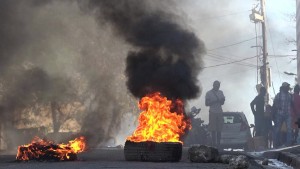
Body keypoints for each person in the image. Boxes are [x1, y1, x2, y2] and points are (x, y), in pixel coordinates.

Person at [205, 80, 225, 148]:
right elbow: (206, 103)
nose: (218, 86)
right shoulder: (208, 93)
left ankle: (218, 143)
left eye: (218, 85)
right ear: (213, 85)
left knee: (219, 129)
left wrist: (222, 100)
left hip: (219, 112)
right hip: (212, 112)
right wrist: (215, 101)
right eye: (216, 85)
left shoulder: (221, 92)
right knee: (213, 129)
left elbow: (222, 103)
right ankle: (214, 144)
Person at [273, 82, 293, 147]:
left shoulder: (290, 95)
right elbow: (274, 105)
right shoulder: (278, 95)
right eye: (287, 87)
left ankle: (288, 144)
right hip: (279, 114)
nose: (288, 89)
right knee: (277, 129)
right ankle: (276, 144)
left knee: (289, 129)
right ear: (283, 88)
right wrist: (274, 114)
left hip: (288, 114)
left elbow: (292, 104)